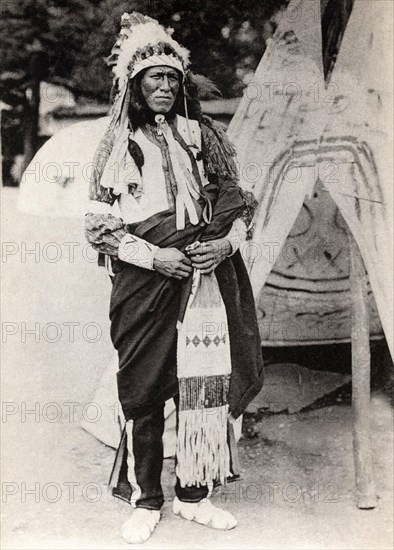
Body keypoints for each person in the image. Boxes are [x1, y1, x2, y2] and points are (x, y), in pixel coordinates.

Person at [85, 11, 263, 544]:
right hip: (147, 282)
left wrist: (223, 245)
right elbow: (99, 227)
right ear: (135, 86)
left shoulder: (202, 135)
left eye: (171, 78)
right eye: (153, 79)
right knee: (144, 387)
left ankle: (194, 493)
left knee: (202, 383)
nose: (163, 86)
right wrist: (154, 258)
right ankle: (147, 497)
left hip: (205, 277)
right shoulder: (118, 141)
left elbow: (239, 208)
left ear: (181, 84)